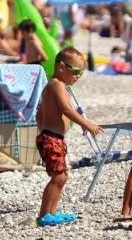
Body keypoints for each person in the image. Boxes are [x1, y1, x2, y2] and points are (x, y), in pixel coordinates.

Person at [35, 48, 102, 227]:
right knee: (58, 177)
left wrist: (43, 130)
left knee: (62, 177)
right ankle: (43, 215)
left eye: (81, 73)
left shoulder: (54, 86)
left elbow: (39, 113)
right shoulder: (56, 85)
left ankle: (52, 212)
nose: (78, 76)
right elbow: (66, 110)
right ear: (61, 67)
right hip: (52, 138)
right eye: (75, 71)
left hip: (53, 137)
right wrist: (86, 124)